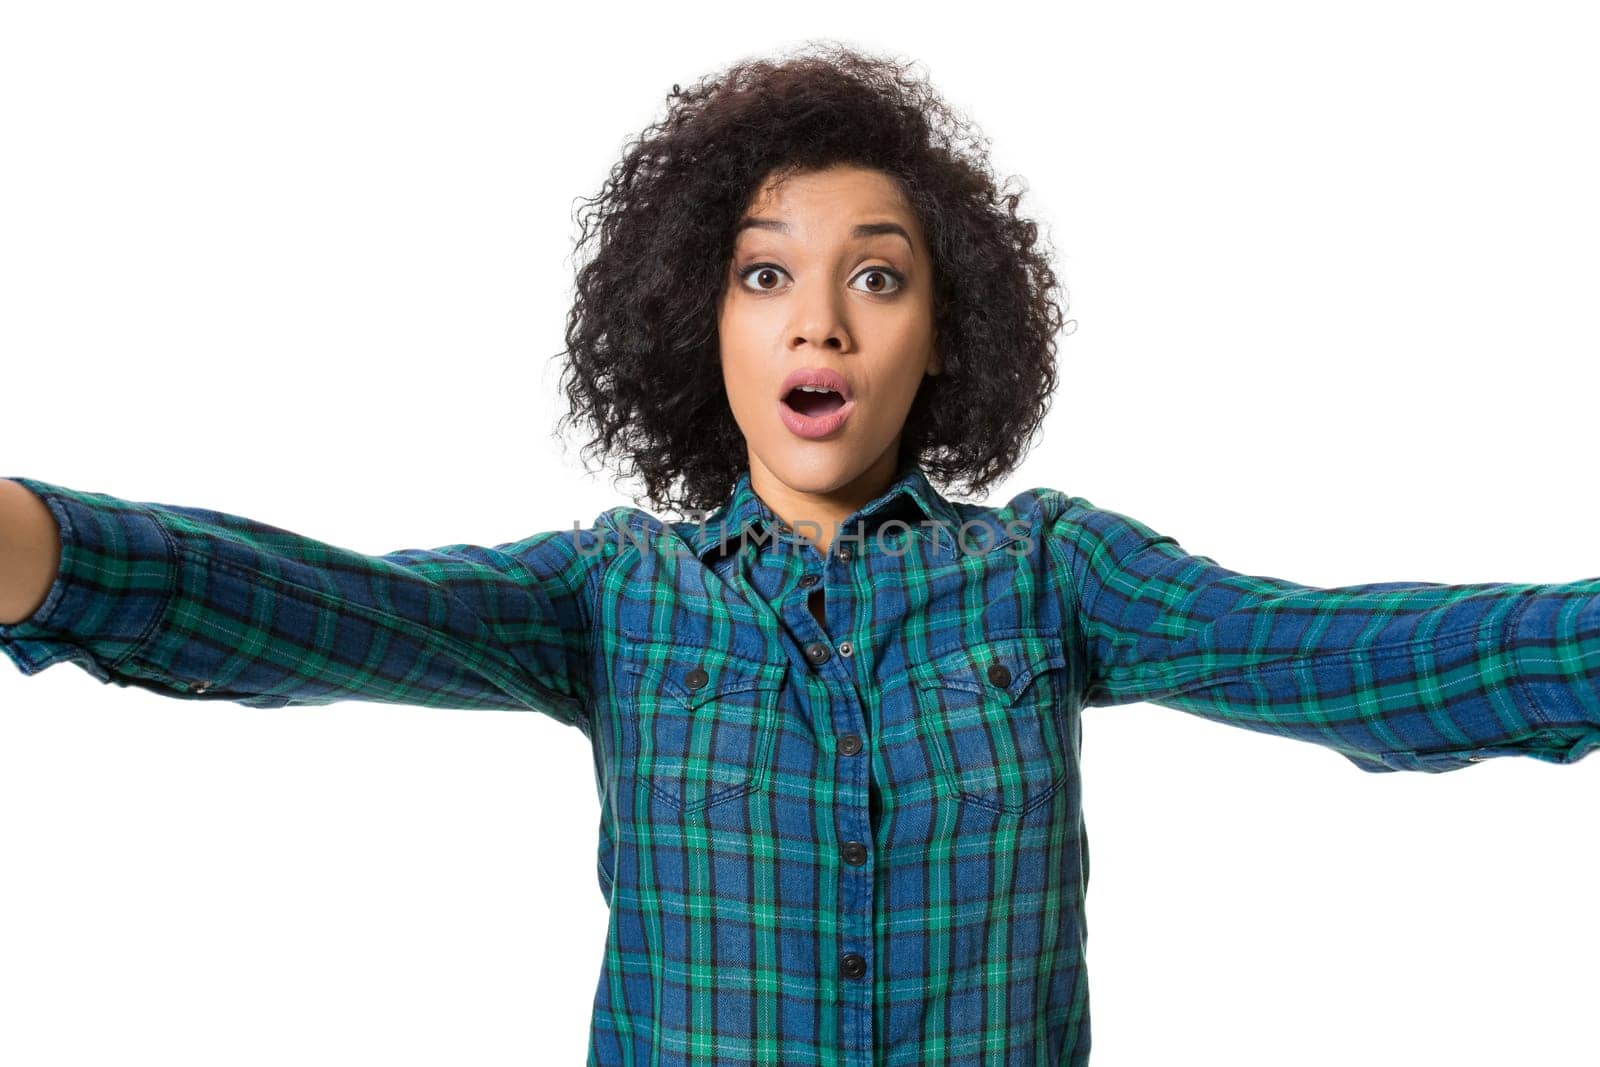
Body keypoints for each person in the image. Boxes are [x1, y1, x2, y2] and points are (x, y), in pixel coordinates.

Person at [3, 40, 1597, 1067]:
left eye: (877, 279)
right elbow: (325, 612)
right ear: (696, 319)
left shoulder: (1051, 577)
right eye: (765, 277)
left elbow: (1328, 655)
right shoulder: (610, 599)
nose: (819, 319)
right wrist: (45, 551)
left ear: (944, 326)